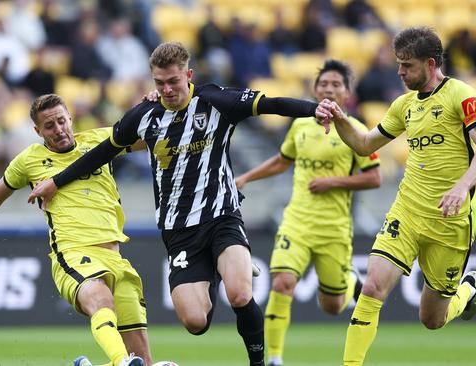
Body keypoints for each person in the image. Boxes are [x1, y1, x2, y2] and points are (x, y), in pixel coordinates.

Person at [27, 42, 325, 366]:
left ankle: (259, 362)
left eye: (173, 81)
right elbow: (99, 154)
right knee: (195, 322)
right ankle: (215, 267)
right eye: (159, 83)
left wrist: (314, 110)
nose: (167, 89)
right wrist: (56, 182)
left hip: (221, 215)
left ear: (189, 75)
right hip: (178, 230)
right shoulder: (143, 116)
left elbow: (271, 104)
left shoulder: (214, 100)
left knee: (239, 294)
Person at [0, 94, 151, 366]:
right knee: (100, 300)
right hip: (72, 254)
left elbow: (150, 138)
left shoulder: (100, 141)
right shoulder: (30, 160)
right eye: (49, 126)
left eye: (62, 121)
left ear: (71, 119)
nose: (59, 129)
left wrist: (157, 104)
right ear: (37, 131)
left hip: (116, 257)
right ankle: (120, 361)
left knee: (143, 357)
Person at [315, 27, 476, 365]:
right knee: (372, 288)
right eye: (399, 64)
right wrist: (341, 120)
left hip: (449, 221)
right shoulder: (404, 106)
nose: (399, 72)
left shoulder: (461, 94)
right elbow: (364, 143)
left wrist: (461, 187)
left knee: (432, 319)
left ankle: (468, 289)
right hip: (408, 211)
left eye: (407, 65)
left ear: (431, 64)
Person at [235, 59, 382, 366]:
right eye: (323, 84)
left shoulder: (357, 130)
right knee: (282, 283)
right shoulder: (300, 125)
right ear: (315, 90)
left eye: (336, 84)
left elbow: (374, 177)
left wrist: (334, 181)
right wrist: (246, 177)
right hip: (297, 221)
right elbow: (281, 161)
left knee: (332, 306)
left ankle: (346, 278)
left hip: (334, 228)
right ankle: (273, 358)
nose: (329, 89)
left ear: (347, 92)